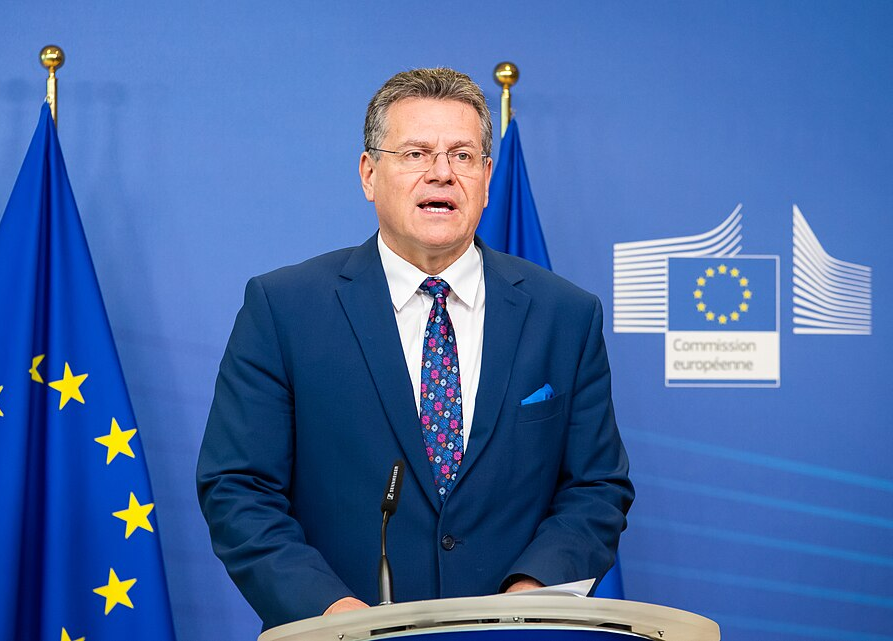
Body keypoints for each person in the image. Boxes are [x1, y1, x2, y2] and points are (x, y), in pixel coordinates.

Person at [197, 67, 633, 631]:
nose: (441, 173)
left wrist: (529, 598)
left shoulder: (565, 315)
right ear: (369, 174)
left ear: (486, 177)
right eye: (415, 154)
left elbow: (596, 488)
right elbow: (238, 488)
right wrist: (332, 614)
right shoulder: (284, 309)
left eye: (462, 155)